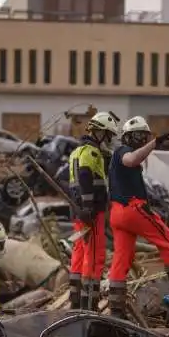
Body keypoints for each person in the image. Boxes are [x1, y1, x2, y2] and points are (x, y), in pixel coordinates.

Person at [107, 116, 169, 318]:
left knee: (122, 258)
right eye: (142, 136)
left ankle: (116, 308)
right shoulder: (124, 152)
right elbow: (132, 160)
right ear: (133, 136)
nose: (144, 140)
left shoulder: (117, 154)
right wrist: (155, 143)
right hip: (133, 209)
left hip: (117, 213)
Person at [68, 111, 120, 309]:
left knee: (79, 253)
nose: (108, 140)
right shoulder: (91, 152)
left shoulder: (77, 151)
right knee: (95, 255)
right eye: (107, 135)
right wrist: (89, 206)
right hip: (91, 212)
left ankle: (75, 298)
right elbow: (85, 176)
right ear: (99, 133)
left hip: (78, 212)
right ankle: (90, 301)